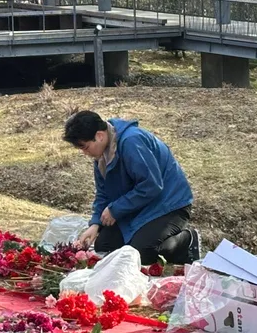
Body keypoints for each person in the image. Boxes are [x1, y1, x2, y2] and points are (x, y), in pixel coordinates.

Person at [63, 110, 198, 265]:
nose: (84, 153)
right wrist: (95, 224)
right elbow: (103, 194)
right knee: (104, 246)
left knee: (141, 254)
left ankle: (187, 240)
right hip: (138, 206)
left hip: (168, 205)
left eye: (85, 147)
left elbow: (151, 185)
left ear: (99, 136)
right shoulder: (101, 156)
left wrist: (116, 209)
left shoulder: (132, 141)